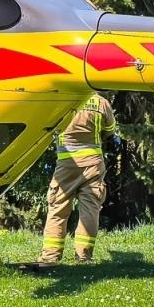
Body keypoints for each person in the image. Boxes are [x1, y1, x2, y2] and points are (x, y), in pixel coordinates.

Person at [33, 92, 117, 266]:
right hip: (93, 163)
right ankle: (84, 257)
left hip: (67, 164)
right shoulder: (101, 102)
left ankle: (50, 257)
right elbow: (110, 130)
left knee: (58, 209)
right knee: (90, 210)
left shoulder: (62, 100)